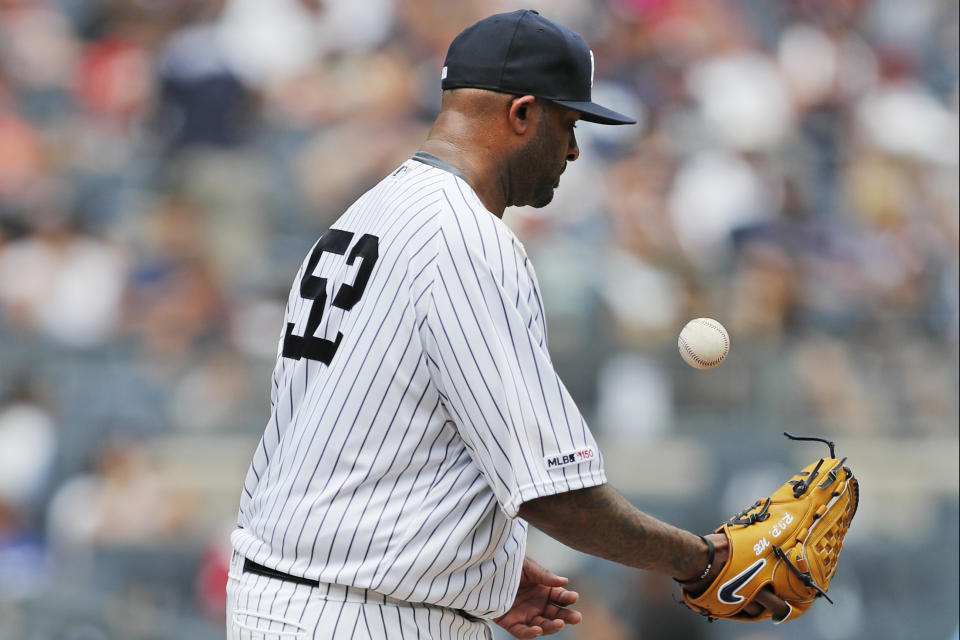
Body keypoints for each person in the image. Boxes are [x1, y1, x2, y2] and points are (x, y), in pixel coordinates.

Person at [226, 9, 787, 639]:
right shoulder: (465, 238)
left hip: (308, 598)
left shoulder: (370, 212)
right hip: (356, 615)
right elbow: (556, 493)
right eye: (568, 122)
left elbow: (359, 436)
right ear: (522, 114)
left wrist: (472, 567)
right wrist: (705, 560)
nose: (574, 149)